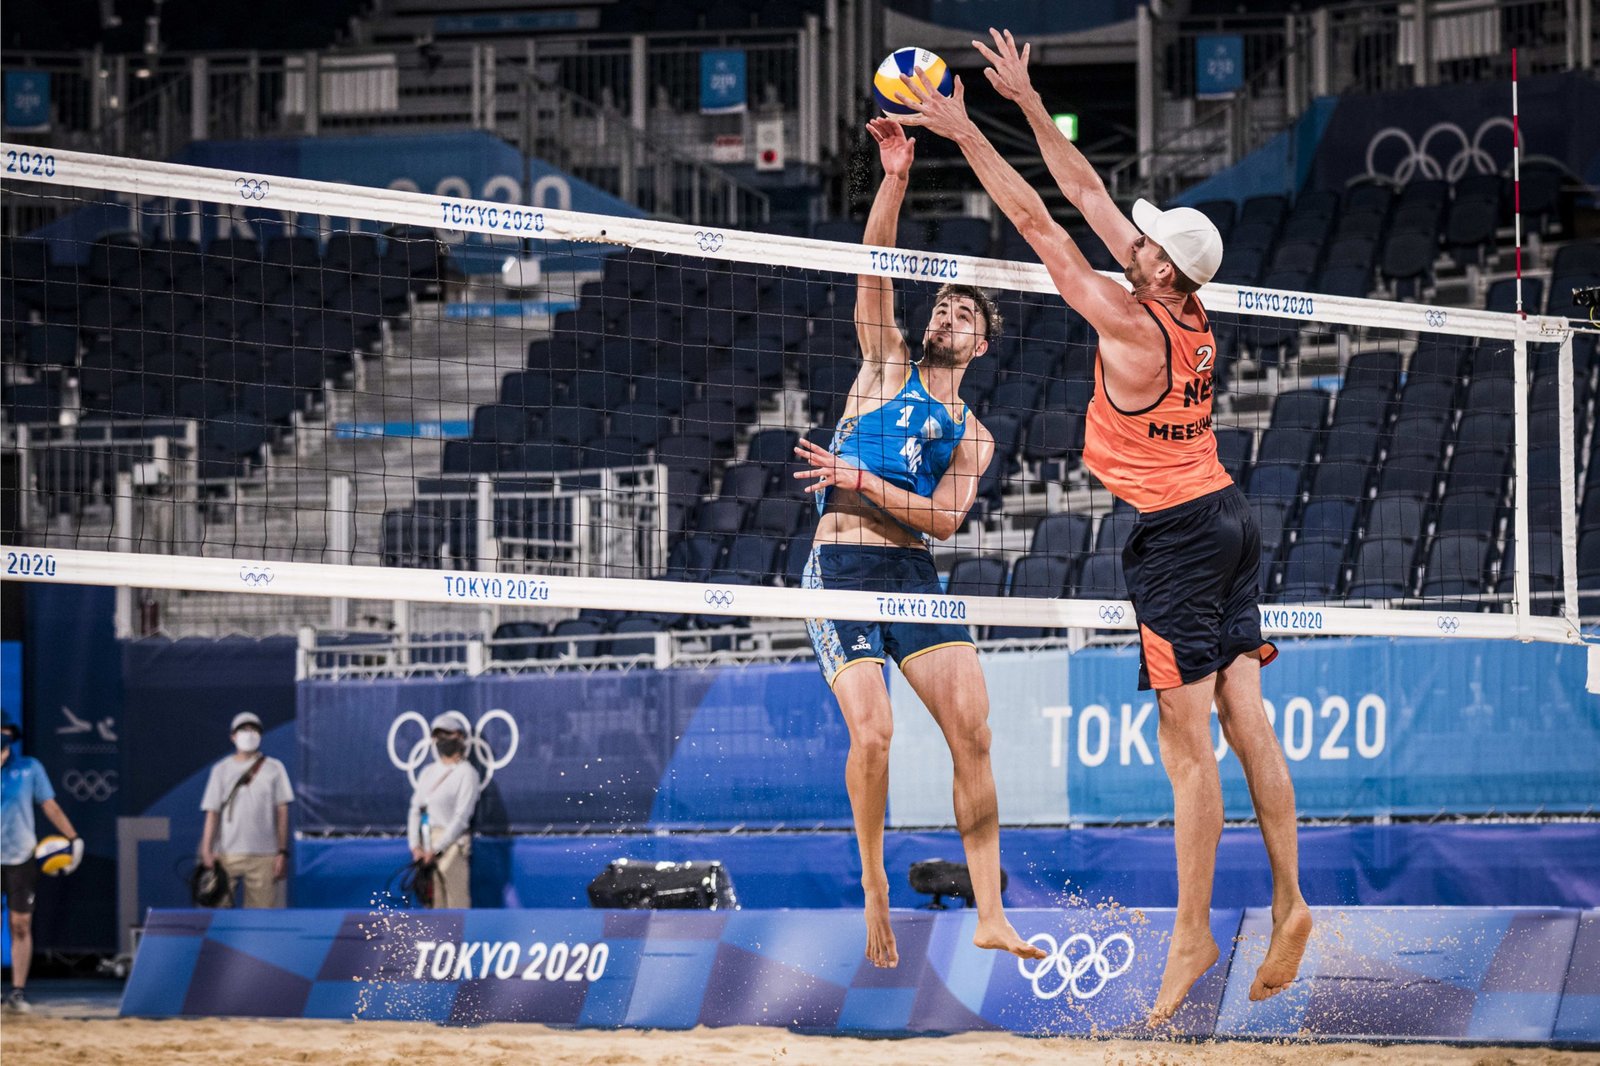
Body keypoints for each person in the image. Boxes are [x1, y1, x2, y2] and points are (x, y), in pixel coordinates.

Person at [889, 33, 1312, 1024]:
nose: (1135, 237)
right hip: (1226, 514)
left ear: (1164, 270)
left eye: (1147, 240)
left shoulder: (1129, 323)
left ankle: (1193, 933)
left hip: (1172, 537)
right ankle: (1292, 900)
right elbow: (1084, 192)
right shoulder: (1187, 314)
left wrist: (961, 130)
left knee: (1186, 750)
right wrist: (1027, 104)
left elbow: (1039, 218)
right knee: (1248, 720)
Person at [790, 116, 1045, 970]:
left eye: (964, 312)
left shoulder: (974, 432)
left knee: (972, 728)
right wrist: (894, 177)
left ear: (981, 344)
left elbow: (943, 520)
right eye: (944, 302)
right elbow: (876, 269)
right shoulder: (885, 362)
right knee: (874, 737)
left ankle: (991, 911)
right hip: (840, 566)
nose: (947, 312)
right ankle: (872, 884)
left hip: (909, 569)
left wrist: (862, 479)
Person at [1, 717, 83, 1013]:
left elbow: (50, 805)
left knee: (20, 923)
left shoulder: (29, 768)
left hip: (21, 858)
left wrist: (73, 838)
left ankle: (18, 992)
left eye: (5, 740)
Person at [199, 711, 294, 909]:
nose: (248, 734)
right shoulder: (221, 769)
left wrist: (282, 852)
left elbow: (283, 812)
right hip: (225, 853)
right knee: (216, 913)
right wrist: (207, 849)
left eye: (253, 730)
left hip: (265, 855)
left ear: (260, 736)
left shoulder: (275, 768)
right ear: (233, 736)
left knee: (260, 917)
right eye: (243, 730)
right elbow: (212, 812)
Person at [407, 711, 480, 909]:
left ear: (460, 737)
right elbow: (416, 809)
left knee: (455, 904)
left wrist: (437, 848)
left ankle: (458, 940)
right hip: (426, 844)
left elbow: (462, 817)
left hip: (452, 846)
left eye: (447, 734)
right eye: (438, 735)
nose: (442, 740)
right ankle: (434, 941)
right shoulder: (427, 772)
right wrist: (416, 846)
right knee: (432, 905)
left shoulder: (467, 773)